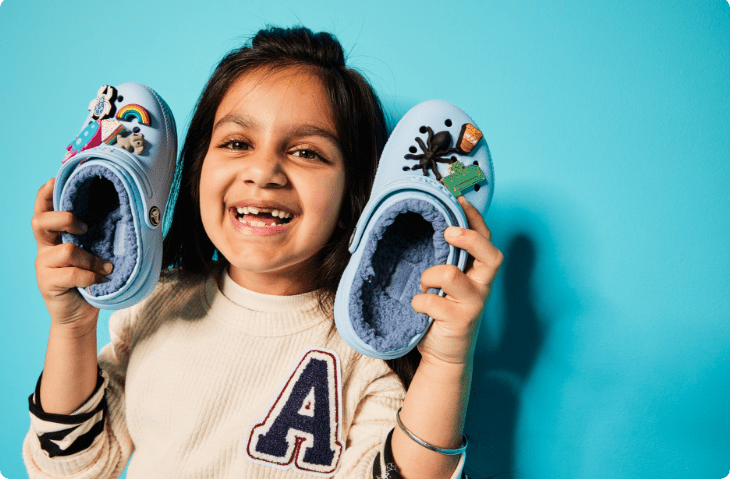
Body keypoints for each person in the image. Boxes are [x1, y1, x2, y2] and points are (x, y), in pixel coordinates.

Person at [25, 26, 503, 479]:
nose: (264, 171)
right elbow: (71, 469)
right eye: (236, 143)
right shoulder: (153, 306)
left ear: (352, 200)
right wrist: (72, 326)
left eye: (307, 152)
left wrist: (446, 360)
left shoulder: (368, 351)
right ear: (195, 173)